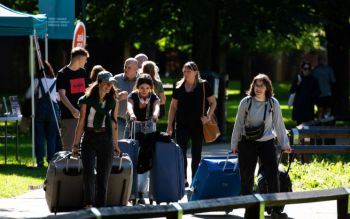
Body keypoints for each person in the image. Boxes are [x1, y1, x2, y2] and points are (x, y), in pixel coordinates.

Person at [230, 73, 292, 219]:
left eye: (261, 85)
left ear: (267, 87)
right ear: (253, 86)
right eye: (256, 85)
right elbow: (238, 124)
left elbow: (279, 125)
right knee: (246, 177)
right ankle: (249, 210)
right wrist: (234, 144)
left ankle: (275, 209)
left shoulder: (273, 103)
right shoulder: (246, 102)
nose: (258, 88)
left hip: (267, 143)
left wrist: (285, 144)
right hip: (247, 142)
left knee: (272, 174)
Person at [72, 71, 120, 208]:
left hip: (106, 139)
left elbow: (114, 124)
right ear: (99, 83)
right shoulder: (86, 100)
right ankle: (88, 205)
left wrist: (115, 145)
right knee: (88, 173)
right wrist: (75, 145)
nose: (109, 86)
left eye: (111, 84)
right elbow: (81, 123)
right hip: (89, 137)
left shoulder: (113, 102)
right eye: (106, 83)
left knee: (103, 177)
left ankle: (101, 208)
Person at [166, 61, 217, 186]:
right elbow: (173, 107)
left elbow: (213, 103)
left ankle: (194, 179)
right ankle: (183, 179)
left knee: (196, 153)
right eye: (184, 71)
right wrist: (169, 124)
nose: (186, 73)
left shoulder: (204, 85)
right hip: (182, 124)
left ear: (196, 72)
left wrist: (208, 116)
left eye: (189, 71)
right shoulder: (178, 86)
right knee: (181, 152)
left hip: (198, 125)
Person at [126, 74, 160, 204]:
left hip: (148, 129)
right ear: (138, 87)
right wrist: (132, 114)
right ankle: (131, 191)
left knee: (146, 160)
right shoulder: (133, 96)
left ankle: (141, 192)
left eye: (147, 88)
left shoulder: (154, 97)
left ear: (151, 88)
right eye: (141, 87)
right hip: (134, 129)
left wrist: (155, 114)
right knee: (131, 158)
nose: (144, 90)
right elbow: (129, 106)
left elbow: (157, 107)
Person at [25, 61, 60, 167]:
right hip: (53, 112)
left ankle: (40, 161)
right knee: (52, 138)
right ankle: (51, 161)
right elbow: (59, 98)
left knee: (39, 137)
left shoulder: (37, 81)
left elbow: (27, 95)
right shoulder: (56, 81)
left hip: (40, 112)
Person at [56, 47, 89, 151]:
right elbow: (62, 95)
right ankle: (68, 167)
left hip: (84, 116)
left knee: (83, 148)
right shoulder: (62, 73)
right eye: (85, 59)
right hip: (69, 117)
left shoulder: (83, 72)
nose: (86, 61)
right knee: (69, 147)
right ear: (79, 58)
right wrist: (73, 109)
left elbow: (87, 92)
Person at [114, 58, 139, 139]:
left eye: (129, 68)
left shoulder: (140, 80)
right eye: (125, 67)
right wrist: (119, 96)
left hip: (136, 121)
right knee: (120, 146)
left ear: (136, 69)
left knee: (135, 147)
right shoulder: (116, 79)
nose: (126, 69)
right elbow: (107, 98)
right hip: (120, 119)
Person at [290, 60, 320, 125]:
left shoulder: (314, 80)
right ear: (302, 69)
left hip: (308, 107)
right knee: (299, 126)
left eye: (309, 68)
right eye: (305, 69)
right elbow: (292, 90)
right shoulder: (298, 78)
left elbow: (318, 92)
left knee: (308, 126)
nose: (307, 70)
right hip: (299, 106)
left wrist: (312, 98)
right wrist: (298, 83)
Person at [312, 54, 336, 119]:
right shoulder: (329, 69)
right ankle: (326, 122)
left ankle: (320, 123)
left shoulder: (315, 70)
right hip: (328, 92)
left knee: (320, 109)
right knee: (328, 109)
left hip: (319, 93)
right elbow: (333, 81)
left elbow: (312, 82)